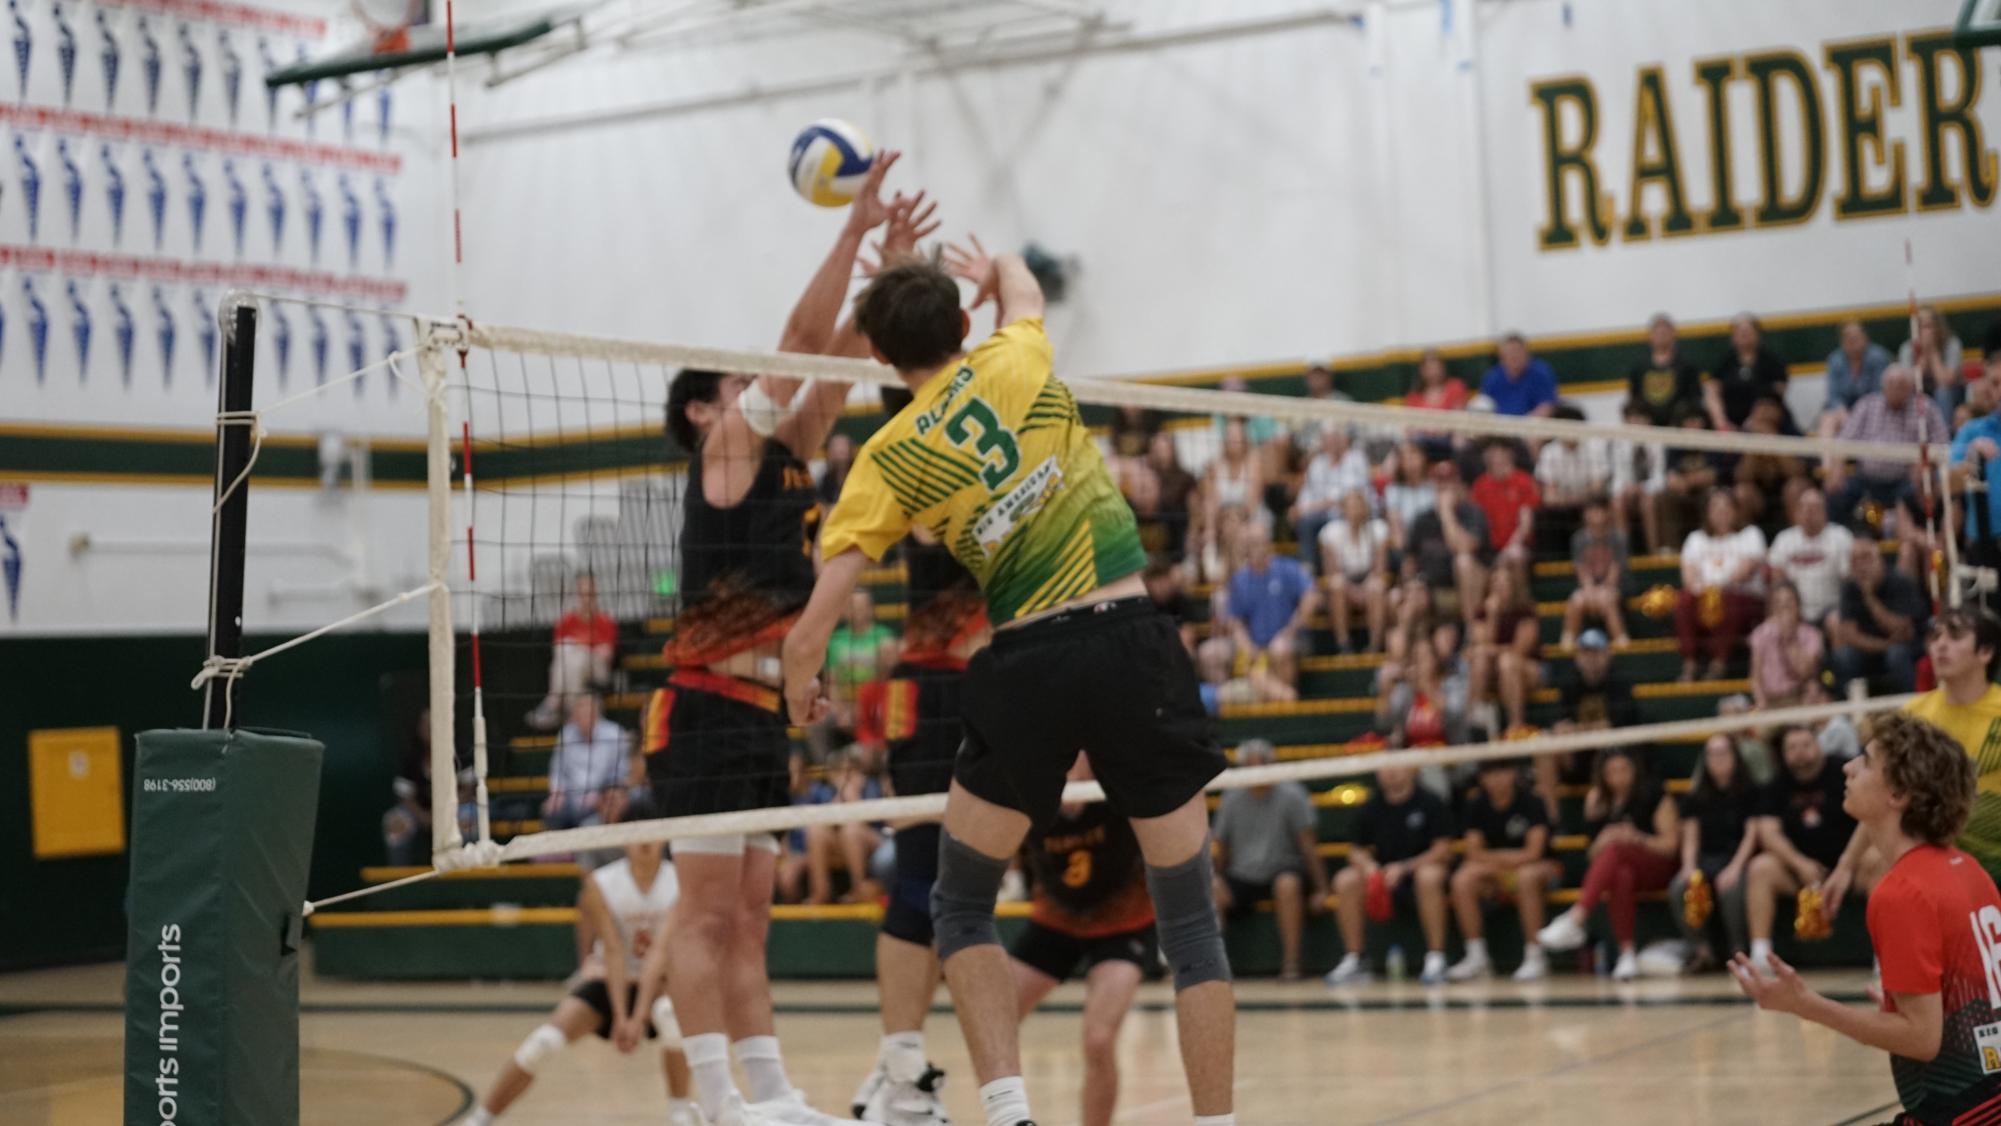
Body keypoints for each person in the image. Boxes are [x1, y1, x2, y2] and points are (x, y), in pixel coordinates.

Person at [781, 237, 1235, 1126]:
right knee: (1188, 921)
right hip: (1133, 643)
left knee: (959, 905)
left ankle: (1009, 1111)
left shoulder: (886, 456)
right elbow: (1024, 289)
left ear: (877, 355)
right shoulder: (1016, 352)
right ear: (962, 322)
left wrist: (804, 683)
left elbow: (820, 613)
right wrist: (992, 275)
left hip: (1028, 664)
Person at [646, 155, 911, 1126]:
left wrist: (889, 265)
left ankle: (770, 1094)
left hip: (761, 714)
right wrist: (850, 231)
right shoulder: (724, 450)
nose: (757, 383)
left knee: (750, 919)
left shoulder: (791, 458)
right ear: (702, 412)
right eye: (737, 382)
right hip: (706, 708)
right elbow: (803, 340)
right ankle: (712, 1103)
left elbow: (838, 361)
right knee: (710, 916)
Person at [1733, 713, 2001, 1126]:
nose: (1848, 766)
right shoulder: (1968, 868)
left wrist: (1806, 1005)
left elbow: (1921, 1039)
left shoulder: (1901, 892)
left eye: (1866, 760)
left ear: (1897, 794)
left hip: (1963, 1113)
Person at [849, 538, 987, 1126]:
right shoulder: (937, 491)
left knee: (950, 896)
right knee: (919, 882)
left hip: (976, 680)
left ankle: (894, 1063)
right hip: (929, 688)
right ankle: (899, 1074)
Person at [461, 797, 693, 1126]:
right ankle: (480, 1119)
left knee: (671, 1018)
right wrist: (620, 1016)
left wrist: (637, 1017)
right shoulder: (600, 884)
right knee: (541, 1044)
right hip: (607, 981)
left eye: (653, 832)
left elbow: (659, 955)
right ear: (620, 835)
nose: (645, 840)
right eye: (636, 831)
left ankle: (681, 1114)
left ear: (666, 836)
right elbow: (612, 950)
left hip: (659, 985)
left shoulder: (680, 883)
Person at [1010, 755, 1159, 1126]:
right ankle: (1007, 1116)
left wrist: (1081, 780)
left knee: (1098, 1040)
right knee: (992, 1023)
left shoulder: (1119, 782)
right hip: (1055, 920)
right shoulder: (1023, 782)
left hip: (1123, 923)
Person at [1536, 748, 1680, 981]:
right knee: (1620, 875)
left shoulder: (1654, 794)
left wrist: (1637, 838)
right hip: (1623, 868)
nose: (1618, 776)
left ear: (1635, 770)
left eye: (1623, 769)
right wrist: (1603, 840)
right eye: (1612, 771)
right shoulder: (1596, 799)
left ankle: (1576, 918)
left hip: (1659, 866)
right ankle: (1627, 955)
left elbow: (1671, 847)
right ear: (1602, 775)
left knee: (1617, 850)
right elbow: (1593, 857)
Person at [1741, 726, 1868, 975]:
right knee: (1761, 867)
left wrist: (1846, 865)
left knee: (1878, 859)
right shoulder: (1776, 784)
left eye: (1806, 745)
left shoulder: (1843, 773)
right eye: (1792, 747)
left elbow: (1871, 818)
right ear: (1784, 754)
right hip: (1801, 873)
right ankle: (1760, 954)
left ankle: (1884, 958)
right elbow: (1768, 833)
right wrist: (1800, 865)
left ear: (1819, 745)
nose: (1800, 753)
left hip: (1850, 867)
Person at [1326, 766, 1454, 986]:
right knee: (1345, 880)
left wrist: (1405, 867)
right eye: (1385, 767)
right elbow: (1355, 850)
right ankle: (1356, 959)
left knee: (1429, 877)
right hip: (1383, 876)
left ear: (1412, 770)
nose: (1391, 772)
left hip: (1418, 871)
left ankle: (1436, 957)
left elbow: (1443, 849)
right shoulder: (1370, 806)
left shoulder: (1430, 802)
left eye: (1396, 766)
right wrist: (1370, 868)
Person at [1211, 739, 1328, 981]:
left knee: (1287, 885)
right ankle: (1214, 966)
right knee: (1212, 889)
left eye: (1260, 764)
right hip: (1243, 874)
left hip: (1283, 868)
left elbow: (1308, 846)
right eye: (1249, 765)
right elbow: (1222, 848)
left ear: (1271, 765)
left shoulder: (1293, 795)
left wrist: (1322, 889)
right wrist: (1216, 876)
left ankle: (1291, 964)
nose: (1255, 771)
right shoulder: (1231, 797)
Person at [1903, 607, 2001, 883]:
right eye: (1935, 637)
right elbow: (1884, 794)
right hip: (1944, 873)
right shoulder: (1913, 717)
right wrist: (1846, 866)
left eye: (1955, 636)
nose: (1940, 645)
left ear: (1985, 652)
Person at [1445, 758, 1559, 982]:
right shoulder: (1476, 805)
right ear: (1482, 778)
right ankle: (1476, 956)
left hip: (1541, 870)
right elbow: (1473, 851)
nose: (1497, 779)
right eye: (1490, 773)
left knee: (1527, 876)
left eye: (1502, 772)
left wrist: (1493, 861)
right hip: (1498, 873)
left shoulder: (1532, 802)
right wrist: (1504, 863)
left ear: (1513, 773)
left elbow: (1534, 853)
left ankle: (1535, 954)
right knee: (1462, 879)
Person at [1668, 735, 1759, 972]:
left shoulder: (1750, 792)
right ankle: (1700, 949)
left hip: (1737, 860)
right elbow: (1690, 836)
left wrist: (1735, 868)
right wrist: (1689, 867)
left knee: (1733, 886)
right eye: (1712, 754)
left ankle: (1738, 951)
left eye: (1723, 753)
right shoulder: (1696, 796)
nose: (1717, 759)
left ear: (1734, 757)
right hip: (1706, 859)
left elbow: (1752, 835)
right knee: (1680, 886)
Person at [1203, 522, 1318, 701]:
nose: (1254, 547)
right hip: (1255, 643)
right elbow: (1235, 621)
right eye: (1249, 543)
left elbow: (1311, 596)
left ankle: (1279, 698)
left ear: (1268, 543)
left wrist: (1289, 631)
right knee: (1210, 653)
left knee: (1279, 649)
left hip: (1288, 639)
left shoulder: (1286, 567)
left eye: (1258, 542)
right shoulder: (1239, 579)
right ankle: (1248, 700)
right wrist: (1247, 645)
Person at [1826, 365, 1946, 532]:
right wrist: (1837, 466)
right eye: (1891, 384)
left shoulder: (1926, 407)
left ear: (1911, 387)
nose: (1896, 389)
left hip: (1907, 480)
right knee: (1835, 491)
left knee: (1926, 489)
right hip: (1866, 480)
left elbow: (1942, 444)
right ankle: (1842, 538)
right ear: (1883, 386)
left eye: (1901, 384)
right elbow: (1844, 441)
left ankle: (1917, 538)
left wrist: (1926, 463)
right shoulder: (1867, 405)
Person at [1675, 489, 1767, 683]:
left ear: (1736, 511)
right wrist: (1707, 591)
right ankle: (1690, 663)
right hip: (1705, 601)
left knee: (1728, 599)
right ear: (1707, 512)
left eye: (1726, 507)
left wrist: (1714, 589)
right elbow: (1688, 577)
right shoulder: (1696, 539)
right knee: (1684, 600)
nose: (1721, 512)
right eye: (1715, 507)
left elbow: (1744, 572)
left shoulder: (1750, 534)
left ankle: (1719, 664)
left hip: (1743, 602)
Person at [1831, 533, 1928, 695]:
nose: (1861, 566)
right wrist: (1884, 646)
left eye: (1866, 558)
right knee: (1843, 656)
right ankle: (1847, 713)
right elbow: (1849, 635)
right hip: (1873, 649)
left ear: (1879, 559)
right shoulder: (1849, 588)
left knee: (1896, 655)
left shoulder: (1900, 582)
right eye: (1855, 561)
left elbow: (1904, 632)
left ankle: (1914, 705)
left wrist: (1870, 599)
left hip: (1908, 647)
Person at [527, 573, 619, 730]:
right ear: (576, 595)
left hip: (598, 671)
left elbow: (606, 654)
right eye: (582, 594)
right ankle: (573, 717)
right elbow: (558, 653)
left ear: (596, 595)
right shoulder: (566, 622)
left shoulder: (605, 621)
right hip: (572, 670)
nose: (586, 599)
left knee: (573, 654)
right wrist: (587, 646)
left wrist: (580, 646)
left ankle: (554, 703)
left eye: (590, 594)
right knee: (571, 659)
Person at [1405, 464, 1491, 626]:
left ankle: (1470, 631)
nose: (1444, 489)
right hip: (1433, 589)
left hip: (1472, 586)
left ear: (1458, 486)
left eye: (1449, 483)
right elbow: (1409, 561)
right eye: (1439, 483)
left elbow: (1464, 548)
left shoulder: (1472, 513)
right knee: (1408, 599)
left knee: (1463, 562)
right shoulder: (1422, 520)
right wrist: (1412, 583)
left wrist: (1446, 513)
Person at [542, 692, 632, 841]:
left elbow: (621, 773)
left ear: (597, 713)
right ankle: (561, 858)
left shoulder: (615, 734)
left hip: (604, 797)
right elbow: (557, 770)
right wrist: (557, 793)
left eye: (588, 711)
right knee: (552, 812)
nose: (584, 716)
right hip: (570, 797)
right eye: (580, 711)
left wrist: (601, 795)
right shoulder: (566, 734)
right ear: (574, 715)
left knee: (591, 815)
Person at [1766, 488, 1852, 624]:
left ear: (1825, 512)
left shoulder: (1841, 536)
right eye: (1804, 508)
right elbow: (1777, 581)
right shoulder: (1784, 539)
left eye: (1814, 508)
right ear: (1797, 512)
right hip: (1795, 610)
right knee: (1778, 622)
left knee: (1835, 622)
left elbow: (1848, 580)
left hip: (1831, 608)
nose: (1809, 513)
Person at [1319, 489, 1390, 654]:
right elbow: (1332, 571)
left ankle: (1375, 645)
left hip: (1368, 583)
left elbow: (1379, 569)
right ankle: (1344, 644)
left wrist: (1363, 590)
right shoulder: (1331, 532)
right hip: (1345, 586)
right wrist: (1353, 591)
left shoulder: (1378, 529)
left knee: (1377, 586)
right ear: (1343, 509)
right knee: (1336, 584)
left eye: (1358, 505)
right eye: (1350, 506)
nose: (1355, 509)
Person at [1292, 427, 1373, 570]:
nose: (1332, 443)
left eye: (1335, 439)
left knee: (1339, 518)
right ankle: (1308, 567)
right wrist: (1300, 508)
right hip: (1322, 514)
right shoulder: (1317, 463)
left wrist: (1315, 505)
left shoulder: (1356, 458)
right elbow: (1307, 493)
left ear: (1344, 440)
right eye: (1327, 440)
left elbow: (1349, 496)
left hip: (1350, 513)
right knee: (1305, 522)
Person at [1561, 495, 1630, 648]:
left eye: (1600, 510)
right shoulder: (1578, 540)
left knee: (1608, 601)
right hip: (1590, 590)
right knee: (1576, 601)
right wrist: (1590, 591)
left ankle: (1622, 644)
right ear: (1585, 514)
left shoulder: (1618, 538)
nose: (1596, 515)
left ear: (1608, 513)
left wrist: (1602, 591)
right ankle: (1566, 647)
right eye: (1592, 510)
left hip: (1616, 589)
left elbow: (1615, 574)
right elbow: (1582, 573)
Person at [1703, 312, 1791, 432]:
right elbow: (1711, 390)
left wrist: (1753, 420)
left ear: (1758, 334)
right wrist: (1721, 422)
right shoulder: (1724, 362)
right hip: (1730, 418)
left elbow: (1778, 392)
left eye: (1748, 332)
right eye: (1739, 332)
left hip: (1764, 418)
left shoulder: (1772, 361)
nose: (1744, 335)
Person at [1747, 581, 1824, 710]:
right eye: (1778, 603)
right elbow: (1756, 676)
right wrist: (1761, 702)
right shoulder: (1761, 634)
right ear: (1772, 607)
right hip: (1770, 702)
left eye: (1789, 602)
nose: (1784, 607)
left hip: (1800, 698)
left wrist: (1789, 639)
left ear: (1798, 605)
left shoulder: (1812, 635)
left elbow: (1805, 672)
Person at [1469, 441, 1539, 576]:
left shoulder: (1523, 481)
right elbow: (1476, 523)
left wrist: (1507, 550)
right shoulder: (1480, 485)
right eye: (1492, 452)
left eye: (1500, 451)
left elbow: (1525, 525)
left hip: (1517, 546)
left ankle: (1521, 597)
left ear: (1509, 454)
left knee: (1515, 556)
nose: (1496, 456)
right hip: (1488, 549)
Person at [1611, 399, 1668, 554]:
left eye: (1640, 418)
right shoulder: (1619, 442)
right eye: (1632, 418)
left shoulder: (1657, 440)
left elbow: (1660, 477)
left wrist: (1642, 488)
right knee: (1617, 503)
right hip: (1628, 494)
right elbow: (1617, 477)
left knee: (1647, 503)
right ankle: (1622, 554)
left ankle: (1653, 551)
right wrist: (1626, 490)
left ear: (1648, 420)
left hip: (1652, 494)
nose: (1636, 422)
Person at [1627, 313, 1703, 427]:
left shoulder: (1687, 366)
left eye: (1665, 333)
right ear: (1650, 336)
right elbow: (1634, 399)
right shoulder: (1639, 367)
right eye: (1657, 333)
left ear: (1674, 334)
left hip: (1679, 425)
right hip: (1647, 425)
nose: (1661, 336)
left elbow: (1694, 399)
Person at [1819, 318, 1892, 433]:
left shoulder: (1878, 357)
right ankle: (1827, 451)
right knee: (1828, 419)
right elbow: (1833, 396)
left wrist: (1859, 415)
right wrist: (1842, 413)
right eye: (1848, 338)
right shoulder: (1834, 360)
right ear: (1842, 341)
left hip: (1873, 410)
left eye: (1856, 337)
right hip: (1844, 411)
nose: (1852, 342)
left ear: (1865, 337)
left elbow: (1880, 393)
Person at [1901, 303, 1967, 421]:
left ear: (1938, 327)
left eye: (1928, 326)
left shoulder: (1952, 344)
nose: (1924, 331)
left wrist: (1932, 352)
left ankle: (1944, 434)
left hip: (1951, 394)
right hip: (1920, 393)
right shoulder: (1907, 348)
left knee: (1942, 392)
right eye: (1920, 326)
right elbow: (1910, 383)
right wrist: (1923, 356)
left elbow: (1945, 381)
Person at [1479, 332, 1559, 419]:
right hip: (1499, 427)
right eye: (1509, 353)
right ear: (1501, 356)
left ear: (1526, 353)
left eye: (1517, 351)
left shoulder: (1540, 373)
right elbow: (1484, 404)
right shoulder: (1492, 377)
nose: (1514, 356)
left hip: (1532, 427)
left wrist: (1524, 425)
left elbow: (1547, 406)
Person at [1380, 442, 1438, 555]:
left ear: (1423, 457)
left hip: (1432, 544)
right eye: (1405, 457)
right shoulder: (1393, 490)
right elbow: (1396, 527)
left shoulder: (1435, 487)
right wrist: (1405, 555)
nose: (1410, 461)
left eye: (1414, 454)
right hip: (1407, 545)